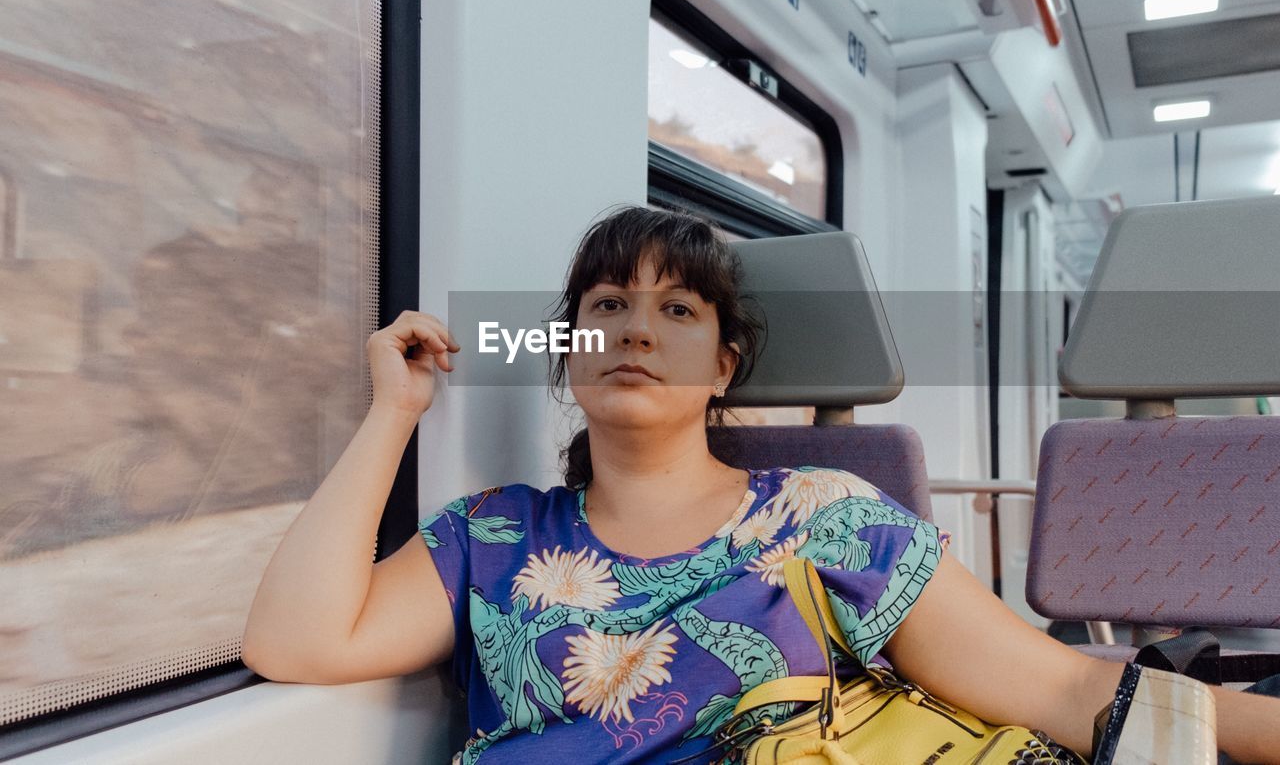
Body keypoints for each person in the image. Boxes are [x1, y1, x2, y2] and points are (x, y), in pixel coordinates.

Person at [242, 206, 1280, 764]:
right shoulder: (493, 534)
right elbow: (294, 640)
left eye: (677, 310)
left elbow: (1058, 684)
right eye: (606, 304)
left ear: (723, 366)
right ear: (569, 352)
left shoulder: (821, 517)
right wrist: (393, 412)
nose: (636, 329)